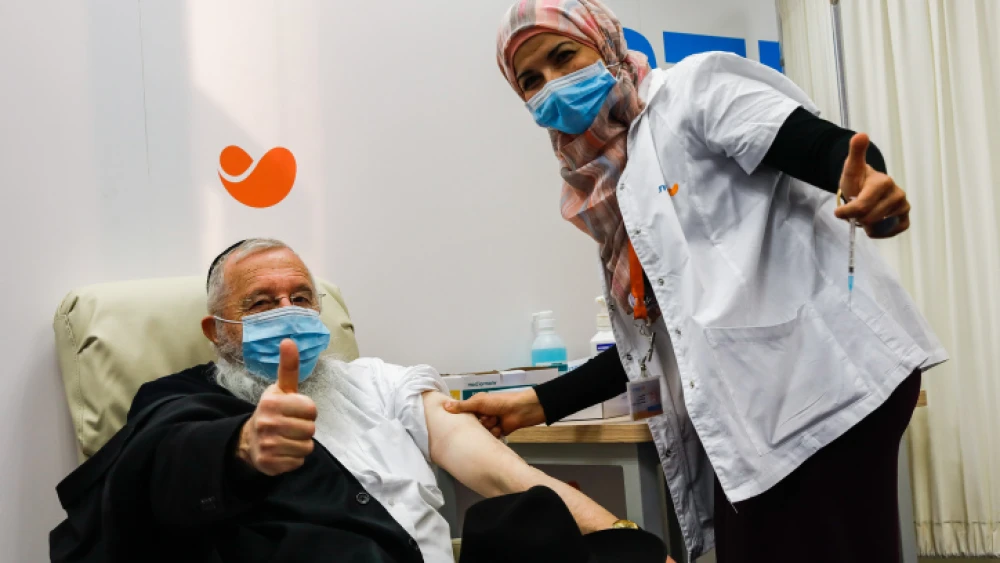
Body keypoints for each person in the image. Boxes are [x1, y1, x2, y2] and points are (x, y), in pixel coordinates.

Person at [444, 1, 947, 562]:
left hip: (822, 382)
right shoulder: (606, 182)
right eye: (531, 81)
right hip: (761, 413)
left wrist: (865, 185)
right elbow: (662, 339)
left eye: (565, 57)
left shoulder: (694, 91)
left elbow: (822, 146)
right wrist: (537, 404)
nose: (553, 86)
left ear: (605, 45)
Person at [52, 238, 668, 563]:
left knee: (525, 523)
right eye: (261, 304)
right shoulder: (183, 400)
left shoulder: (380, 382)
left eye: (301, 296)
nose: (288, 312)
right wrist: (241, 449)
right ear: (219, 333)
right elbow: (161, 469)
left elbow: (504, 474)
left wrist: (619, 533)